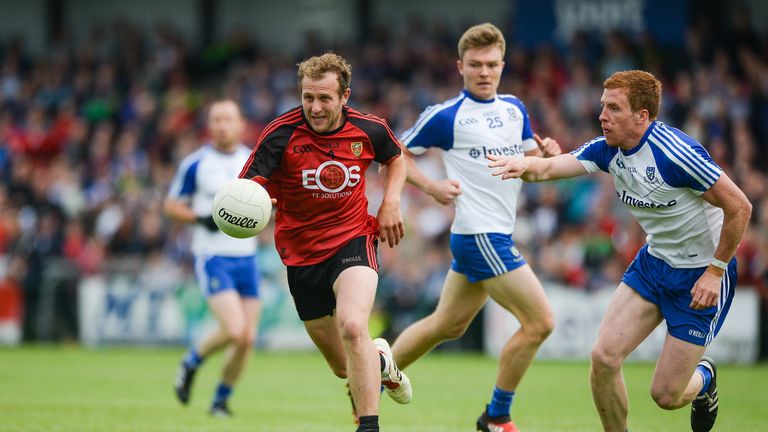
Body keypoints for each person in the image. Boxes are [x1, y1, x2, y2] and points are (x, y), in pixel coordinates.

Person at [488, 70, 752, 432]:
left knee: (667, 395)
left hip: (700, 275)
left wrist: (715, 270)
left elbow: (740, 207)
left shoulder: (676, 154)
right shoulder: (607, 150)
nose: (602, 116)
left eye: (613, 108)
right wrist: (526, 164)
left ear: (642, 116)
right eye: (602, 107)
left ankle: (704, 378)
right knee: (603, 357)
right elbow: (548, 168)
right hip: (654, 264)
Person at [392, 23, 557, 432]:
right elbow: (394, 153)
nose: (484, 72)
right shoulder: (447, 116)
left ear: (503, 65)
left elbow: (533, 171)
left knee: (446, 325)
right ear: (460, 67)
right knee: (541, 323)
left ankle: (371, 381)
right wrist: (430, 186)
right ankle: (496, 417)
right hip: (479, 234)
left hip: (492, 234)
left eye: (491, 64)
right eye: (475, 65)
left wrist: (548, 158)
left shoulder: (514, 109)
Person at [238, 52, 411, 432]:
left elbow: (395, 158)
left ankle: (368, 426)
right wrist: (248, 207)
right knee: (342, 366)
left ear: (345, 96)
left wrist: (391, 202)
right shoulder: (280, 133)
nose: (314, 108)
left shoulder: (370, 129)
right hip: (300, 255)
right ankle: (380, 360)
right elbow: (245, 190)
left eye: (325, 99)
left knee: (353, 326)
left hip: (354, 239)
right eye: (307, 98)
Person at [166, 100, 262, 416]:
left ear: (240, 124)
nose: (222, 125)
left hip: (247, 256)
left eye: (228, 119)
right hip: (212, 255)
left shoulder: (253, 160)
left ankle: (220, 401)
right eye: (216, 119)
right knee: (235, 330)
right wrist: (198, 218)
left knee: (247, 338)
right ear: (210, 125)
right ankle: (191, 362)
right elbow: (171, 205)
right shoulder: (196, 163)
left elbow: (267, 200)